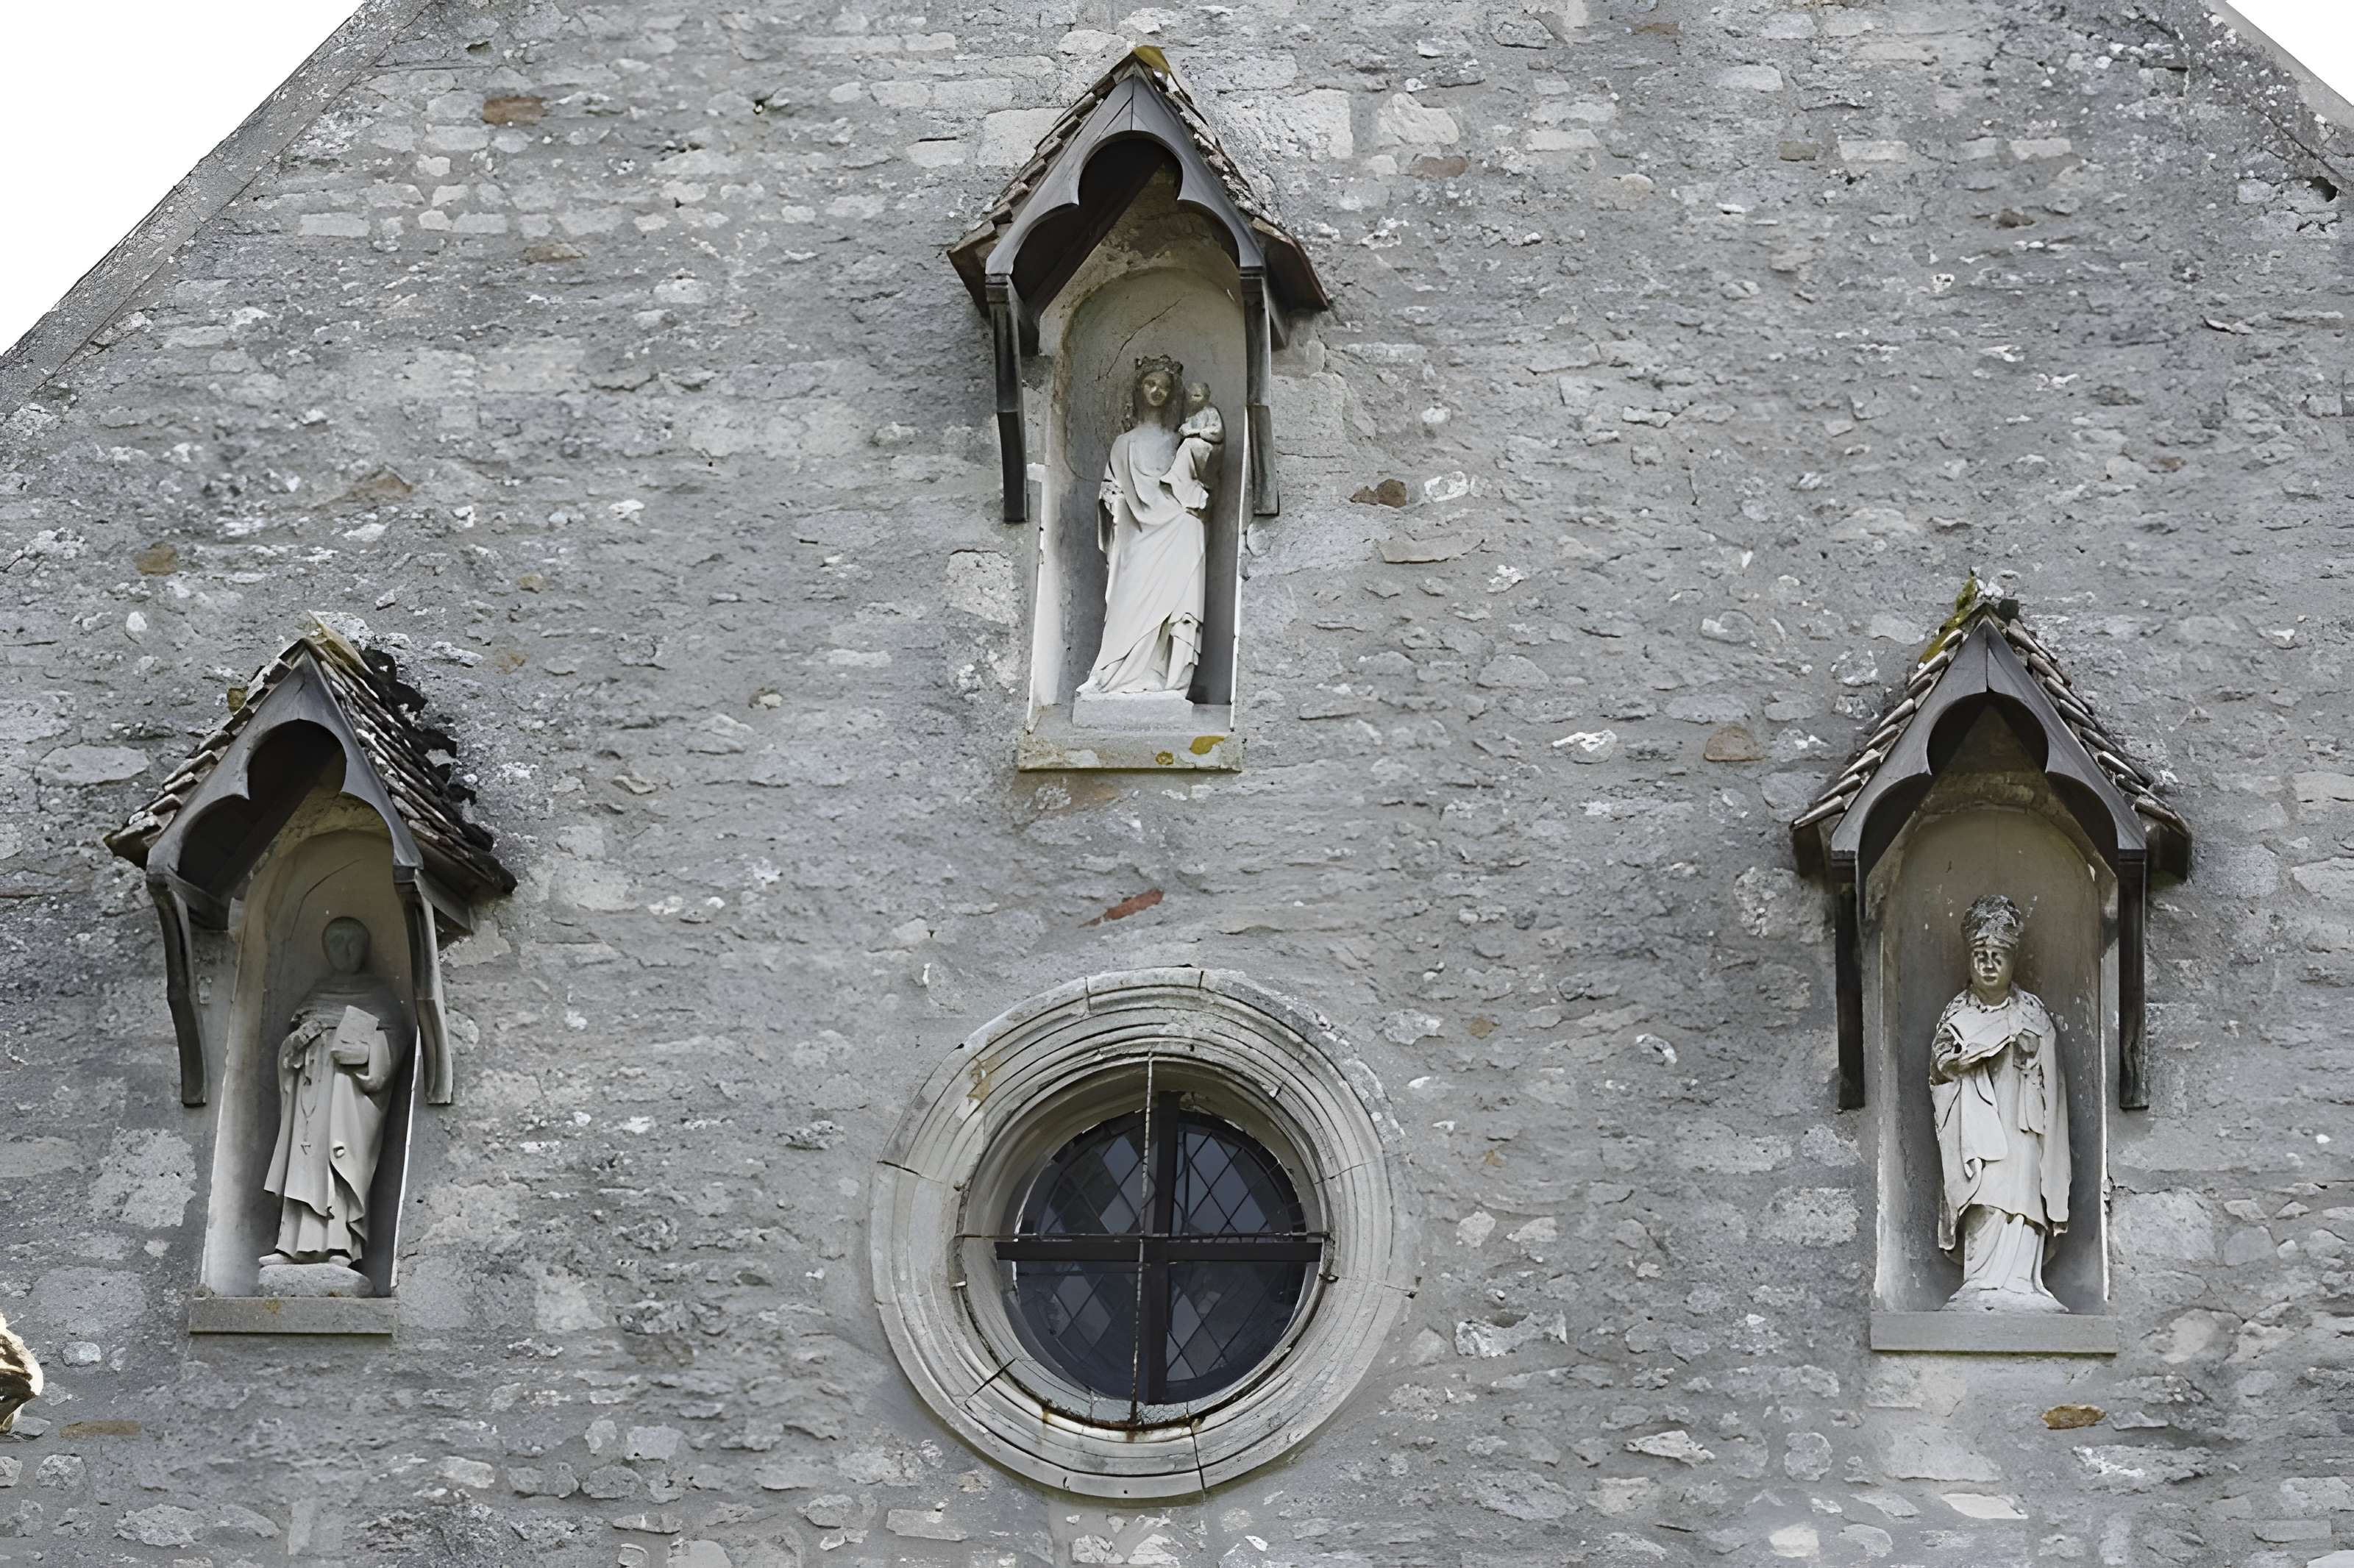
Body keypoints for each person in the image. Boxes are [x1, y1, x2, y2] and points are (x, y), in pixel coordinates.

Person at [1930, 894, 2071, 1312]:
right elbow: (1938, 1070)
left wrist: (2032, 1054)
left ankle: (2021, 1284)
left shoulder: (2032, 1012)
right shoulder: (1955, 1015)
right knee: (1985, 1194)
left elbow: (2054, 1080)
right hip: (1976, 1130)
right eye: (1979, 955)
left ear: (2013, 961)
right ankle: (1981, 1281)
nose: (1988, 965)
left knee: (2025, 1195)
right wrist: (1958, 1063)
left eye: (1997, 956)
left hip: (2023, 1125)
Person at [261, 917, 407, 1273]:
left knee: (339, 1166)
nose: (344, 951)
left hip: (348, 1101)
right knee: (304, 1167)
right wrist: (295, 1045)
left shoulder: (378, 995)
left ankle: (342, 1245)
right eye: (335, 943)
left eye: (351, 942)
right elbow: (287, 1054)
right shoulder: (315, 995)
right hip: (310, 1099)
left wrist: (369, 1055)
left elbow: (396, 1042)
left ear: (364, 947)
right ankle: (292, 1246)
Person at [1078, 357, 1215, 699]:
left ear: (1173, 396)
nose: (1157, 391)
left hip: (1176, 526)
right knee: (1129, 598)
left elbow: (1201, 479)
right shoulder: (1124, 444)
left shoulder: (1179, 439)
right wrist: (1116, 507)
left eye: (1165, 388)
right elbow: (1113, 491)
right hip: (1138, 533)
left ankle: (1158, 673)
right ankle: (1111, 673)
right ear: (1139, 389)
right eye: (1151, 384)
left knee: (1186, 544)